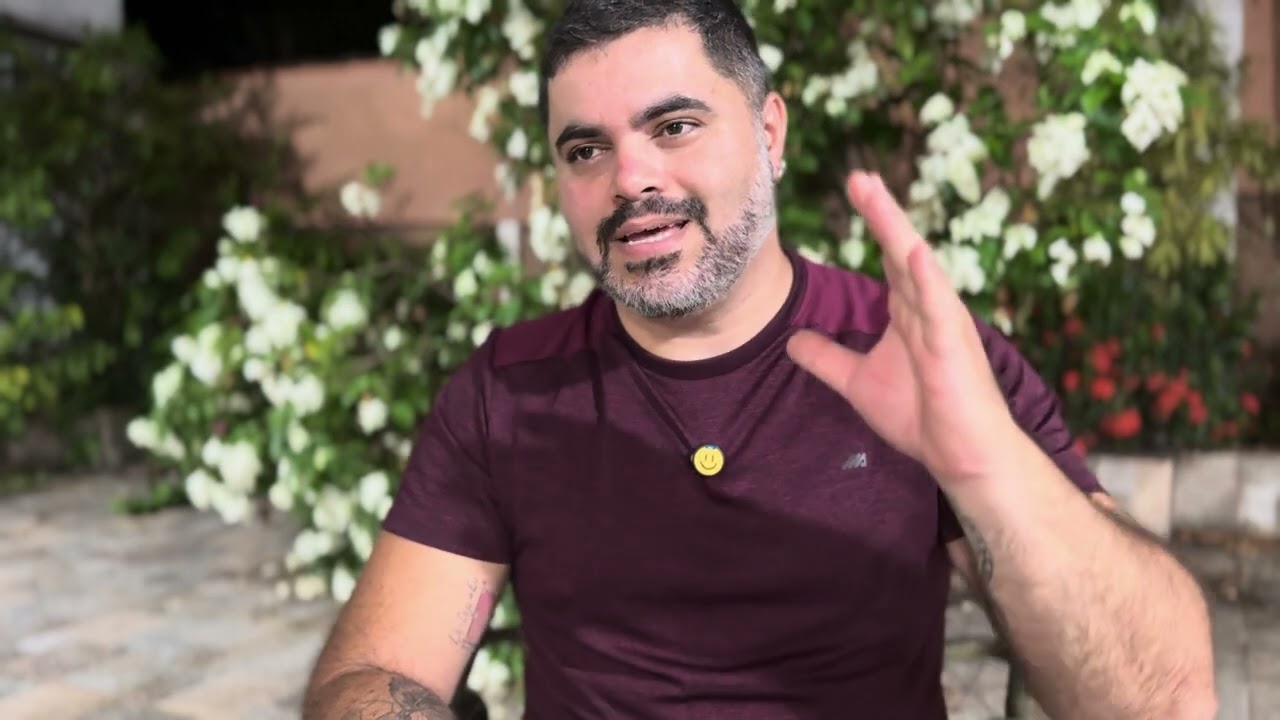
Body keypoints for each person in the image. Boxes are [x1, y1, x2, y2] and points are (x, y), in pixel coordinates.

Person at [302, 1, 1217, 718]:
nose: (630, 179)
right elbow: (370, 674)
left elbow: (1160, 699)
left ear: (770, 134)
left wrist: (982, 465)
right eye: (586, 149)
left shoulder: (918, 358)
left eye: (675, 126)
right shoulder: (512, 391)